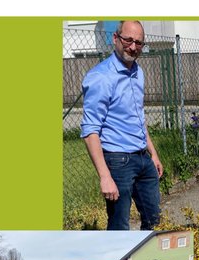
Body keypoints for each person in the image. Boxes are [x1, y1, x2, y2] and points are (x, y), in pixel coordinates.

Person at [80, 20, 164, 231]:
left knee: (154, 219)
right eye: (128, 40)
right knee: (119, 225)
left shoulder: (138, 72)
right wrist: (105, 177)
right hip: (118, 161)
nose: (133, 47)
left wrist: (153, 154)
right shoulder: (101, 77)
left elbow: (138, 117)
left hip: (143, 158)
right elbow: (90, 130)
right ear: (115, 38)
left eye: (139, 43)